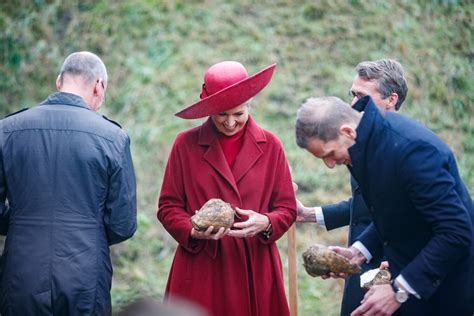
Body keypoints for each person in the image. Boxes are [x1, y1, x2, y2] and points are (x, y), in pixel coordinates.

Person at [295, 95, 474, 315]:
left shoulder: (411, 151)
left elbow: (456, 231)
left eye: (330, 154)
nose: (330, 165)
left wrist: (399, 290)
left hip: (443, 292)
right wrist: (359, 251)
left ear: (347, 132)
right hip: (403, 279)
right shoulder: (364, 144)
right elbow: (395, 211)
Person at [0, 51, 137, 315]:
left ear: (59, 81)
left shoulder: (7, 130)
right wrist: (88, 231)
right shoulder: (113, 138)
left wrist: (21, 222)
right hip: (85, 275)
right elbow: (123, 223)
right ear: (98, 85)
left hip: (21, 271)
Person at [157, 61, 296, 316]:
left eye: (238, 114)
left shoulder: (271, 146)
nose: (230, 123)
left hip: (255, 264)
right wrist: (192, 230)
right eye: (222, 114)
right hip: (201, 266)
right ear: (209, 110)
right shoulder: (185, 145)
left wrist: (266, 222)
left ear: (249, 106)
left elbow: (287, 208)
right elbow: (168, 207)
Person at [296, 59, 408, 315]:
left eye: (362, 96)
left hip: (393, 272)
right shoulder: (360, 141)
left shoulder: (404, 149)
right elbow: (365, 206)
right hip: (361, 263)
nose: (353, 104)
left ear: (391, 99)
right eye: (352, 95)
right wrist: (309, 214)